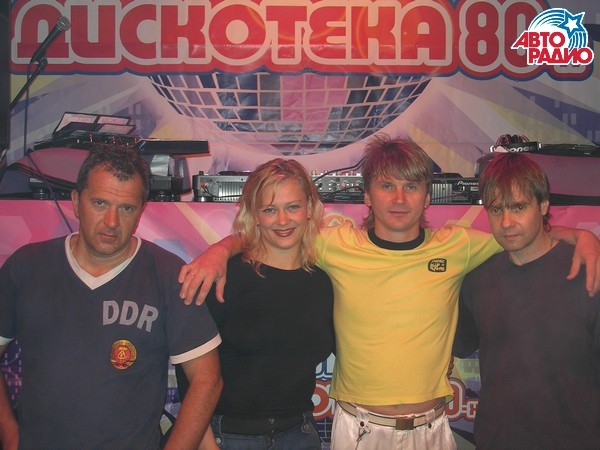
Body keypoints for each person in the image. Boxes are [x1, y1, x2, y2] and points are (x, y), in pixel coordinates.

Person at [177, 135, 600, 450]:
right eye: (386, 186)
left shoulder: (458, 245)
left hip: (433, 428)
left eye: (411, 187)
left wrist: (581, 236)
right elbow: (273, 229)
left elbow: (520, 233)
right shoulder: (334, 243)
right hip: (359, 429)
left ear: (427, 196)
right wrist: (220, 249)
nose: (399, 199)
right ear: (366, 195)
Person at [0, 145, 222, 450]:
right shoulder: (26, 267)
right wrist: (9, 432)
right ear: (76, 202)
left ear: (141, 210)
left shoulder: (168, 274)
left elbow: (207, 379)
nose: (111, 222)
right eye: (100, 203)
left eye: (126, 208)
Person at [177, 158, 334, 449]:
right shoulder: (224, 278)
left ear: (310, 209)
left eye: (293, 207)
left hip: (300, 435)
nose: (283, 221)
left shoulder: (323, 284)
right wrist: (206, 443)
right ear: (255, 215)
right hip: (228, 438)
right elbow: (190, 376)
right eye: (270, 209)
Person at [452, 153, 600, 449]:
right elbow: (459, 345)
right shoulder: (477, 279)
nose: (507, 222)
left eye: (518, 207)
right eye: (496, 209)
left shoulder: (589, 272)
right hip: (496, 441)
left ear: (543, 205)